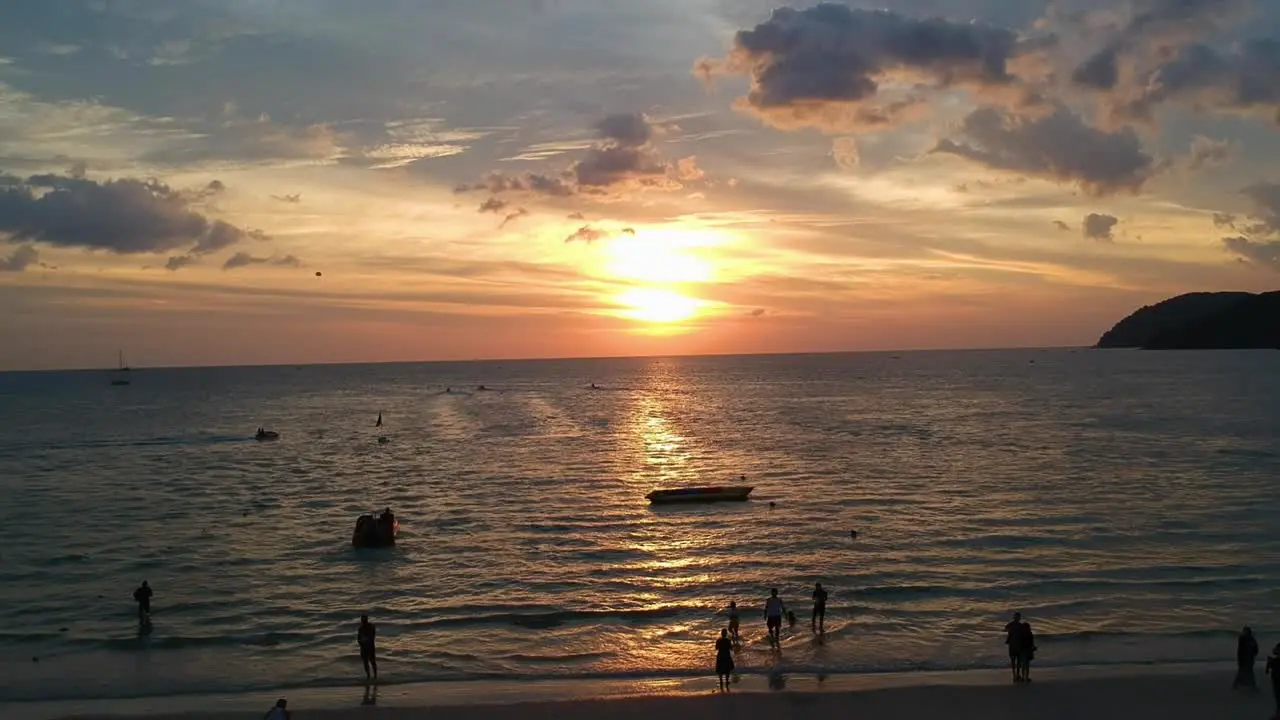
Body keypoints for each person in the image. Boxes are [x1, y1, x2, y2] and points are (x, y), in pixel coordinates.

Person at [1004, 612, 1025, 682]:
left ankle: (1016, 674)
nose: (1018, 618)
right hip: (1014, 645)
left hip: (1016, 645)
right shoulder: (1018, 625)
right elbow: (1005, 629)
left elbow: (1005, 629)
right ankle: (1015, 674)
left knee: (1017, 660)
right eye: (1017, 617)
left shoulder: (1017, 625)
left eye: (1018, 617)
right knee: (1015, 660)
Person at [358, 614, 378, 681]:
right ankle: (368, 676)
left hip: (370, 647)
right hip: (364, 647)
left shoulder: (371, 627)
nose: (363, 621)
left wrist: (365, 640)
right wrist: (361, 642)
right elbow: (358, 639)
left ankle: (375, 676)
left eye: (364, 619)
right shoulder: (361, 628)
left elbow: (372, 636)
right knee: (366, 662)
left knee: (372, 662)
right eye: (362, 620)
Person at [1017, 617, 1036, 682]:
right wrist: (1033, 647)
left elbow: (1019, 642)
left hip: (1023, 650)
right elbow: (1032, 642)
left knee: (1023, 665)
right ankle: (1026, 677)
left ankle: (1023, 677)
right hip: (1028, 650)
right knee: (1027, 665)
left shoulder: (1021, 634)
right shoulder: (1029, 633)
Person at [1265, 642, 1279, 716]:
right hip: (1275, 679)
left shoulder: (1274, 661)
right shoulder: (1274, 661)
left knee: (1278, 696)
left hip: (1276, 679)